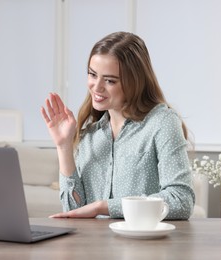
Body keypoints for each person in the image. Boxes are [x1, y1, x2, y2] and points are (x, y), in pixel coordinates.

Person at [41, 31, 195, 219]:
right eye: (92, 74)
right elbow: (73, 211)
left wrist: (104, 207)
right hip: (92, 245)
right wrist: (63, 146)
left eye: (110, 80)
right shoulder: (89, 135)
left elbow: (181, 200)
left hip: (143, 246)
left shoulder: (161, 123)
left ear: (134, 82)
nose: (96, 87)